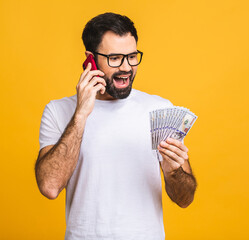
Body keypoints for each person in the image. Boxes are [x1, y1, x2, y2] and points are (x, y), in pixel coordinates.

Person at [34, 12, 197, 239]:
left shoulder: (160, 109)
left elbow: (185, 199)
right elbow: (49, 187)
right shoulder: (58, 111)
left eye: (131, 56)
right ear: (90, 59)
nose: (126, 68)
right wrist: (81, 115)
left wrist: (174, 171)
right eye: (114, 58)